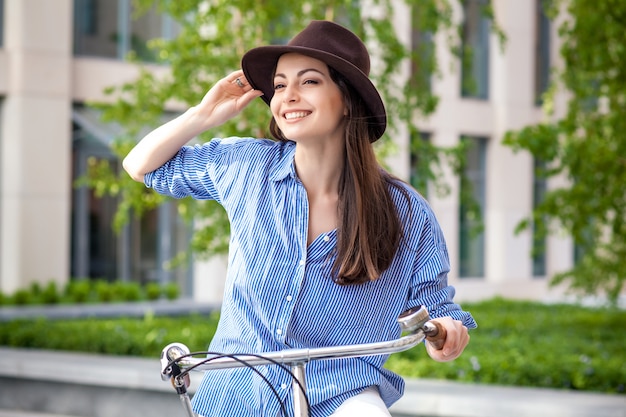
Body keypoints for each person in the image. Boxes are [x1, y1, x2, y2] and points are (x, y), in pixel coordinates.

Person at [124, 20, 476, 417]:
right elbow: (139, 165)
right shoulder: (245, 166)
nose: (288, 96)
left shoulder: (405, 210)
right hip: (237, 391)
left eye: (308, 82)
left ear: (347, 99)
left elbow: (435, 307)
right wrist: (202, 114)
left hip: (341, 393)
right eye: (278, 85)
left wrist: (445, 333)